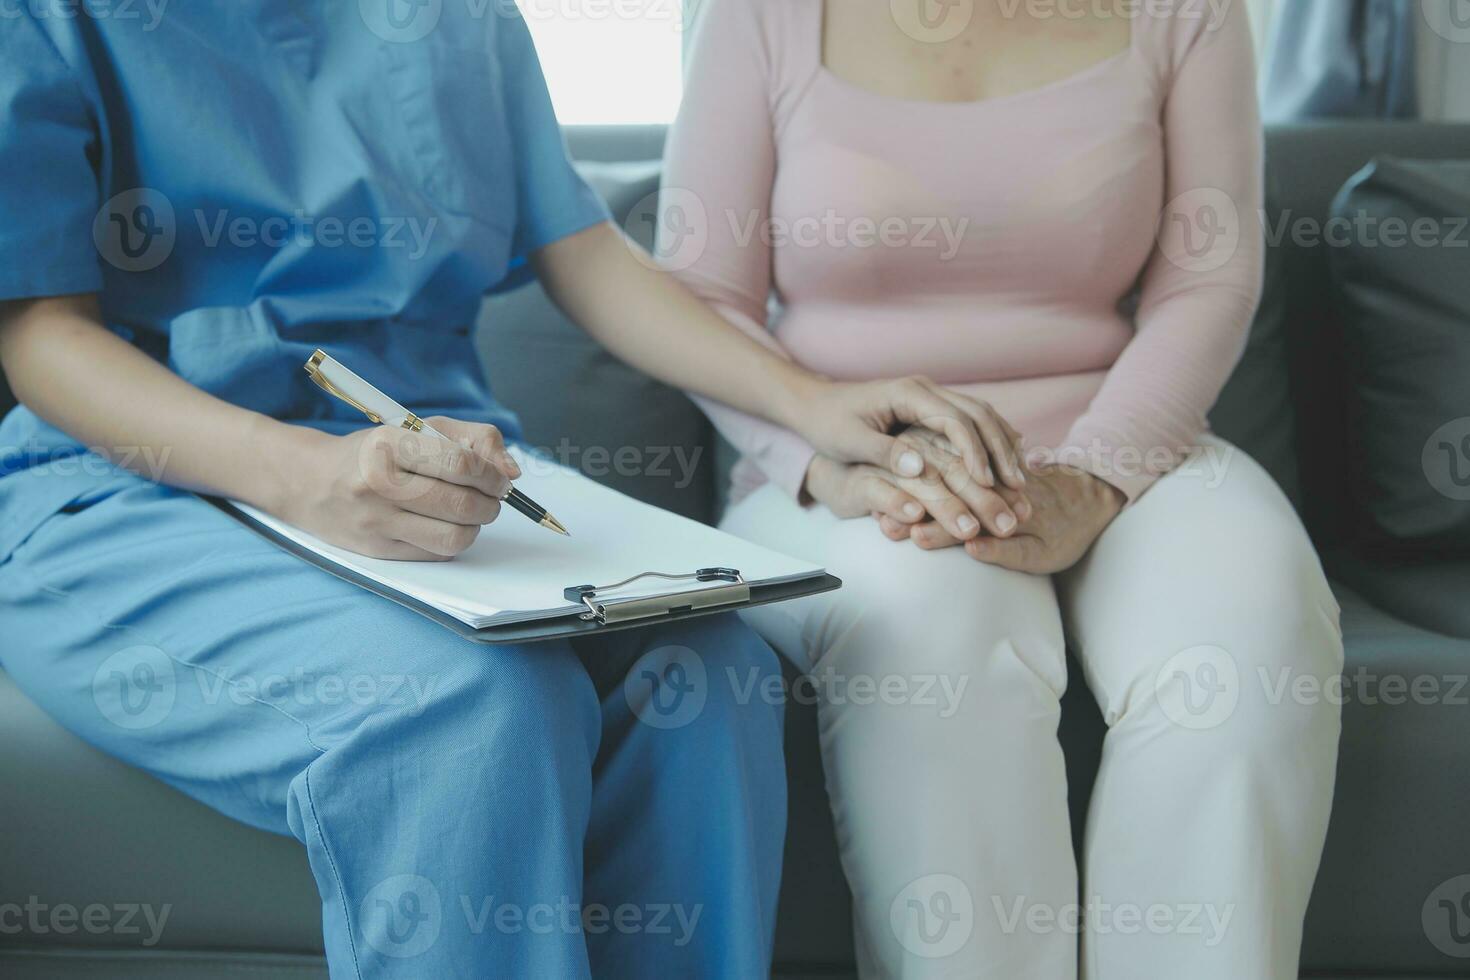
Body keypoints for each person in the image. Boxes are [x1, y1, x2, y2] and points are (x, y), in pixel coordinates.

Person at [0, 4, 1017, 978]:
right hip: (138, 481)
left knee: (708, 671)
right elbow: (43, 333)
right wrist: (303, 474)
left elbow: (577, 244)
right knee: (473, 705)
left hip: (432, 466)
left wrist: (809, 401)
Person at [664, 0, 1344, 976]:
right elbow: (699, 297)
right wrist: (826, 453)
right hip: (845, 465)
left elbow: (1207, 281)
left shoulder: (1189, 14)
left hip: (1122, 444)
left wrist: (1094, 474)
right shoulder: (759, 16)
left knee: (1249, 641)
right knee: (934, 622)